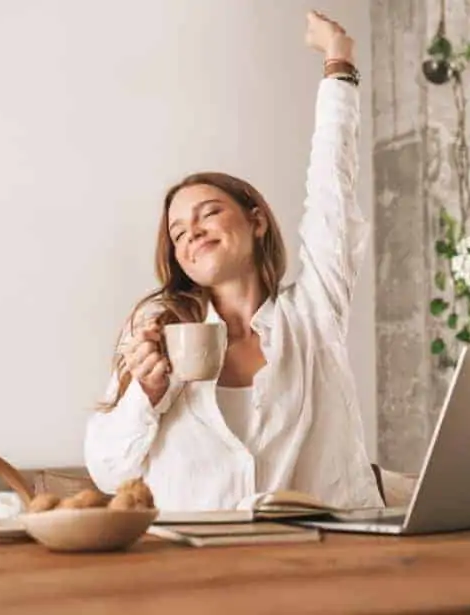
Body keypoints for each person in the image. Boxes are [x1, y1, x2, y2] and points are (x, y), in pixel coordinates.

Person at [84, 10, 384, 512]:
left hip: (320, 558)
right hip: (192, 566)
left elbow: (333, 190)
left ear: (256, 221)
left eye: (208, 214)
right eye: (179, 232)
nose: (192, 233)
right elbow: (110, 472)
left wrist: (339, 65)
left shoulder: (312, 313)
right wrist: (146, 394)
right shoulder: (156, 326)